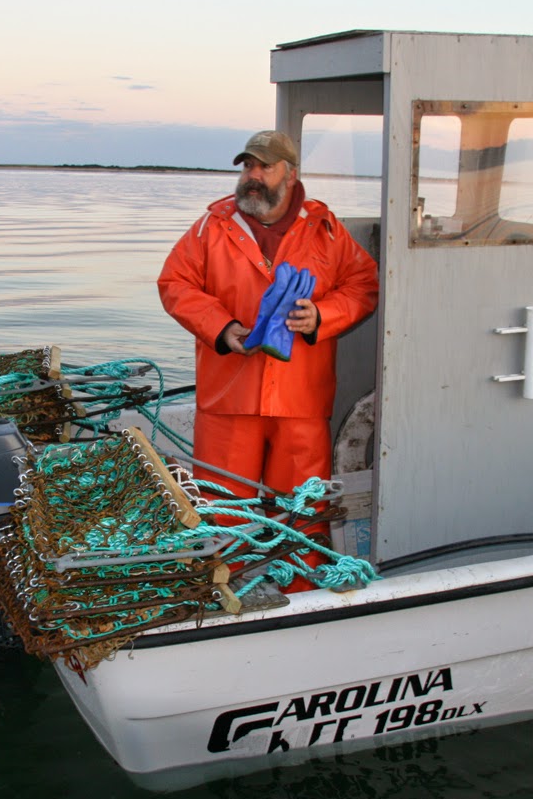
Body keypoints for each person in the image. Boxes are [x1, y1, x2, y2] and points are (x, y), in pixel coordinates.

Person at [157, 130, 379, 586]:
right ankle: (228, 596)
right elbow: (174, 283)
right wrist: (222, 328)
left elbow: (364, 286)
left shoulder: (327, 231)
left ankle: (301, 592)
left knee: (302, 511)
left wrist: (322, 316)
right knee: (224, 511)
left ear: (290, 173)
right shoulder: (210, 227)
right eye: (247, 166)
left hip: (300, 402)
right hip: (228, 399)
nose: (252, 177)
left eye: (264, 166)